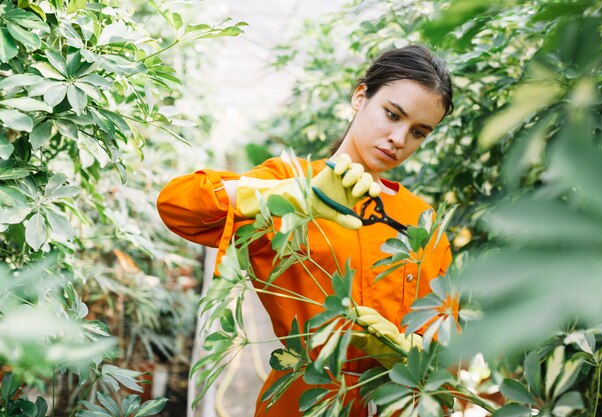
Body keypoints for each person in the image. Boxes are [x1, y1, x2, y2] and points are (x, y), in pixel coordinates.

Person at [157, 44, 454, 416]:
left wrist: (415, 355)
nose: (399, 138)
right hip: (304, 399)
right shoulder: (288, 181)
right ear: (360, 97)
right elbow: (178, 205)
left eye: (419, 132)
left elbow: (447, 336)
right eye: (392, 115)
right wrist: (290, 195)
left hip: (396, 403)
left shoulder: (421, 219)